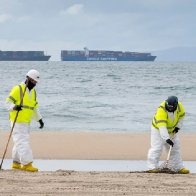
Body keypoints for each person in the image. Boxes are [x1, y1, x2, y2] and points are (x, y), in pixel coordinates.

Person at [6, 69, 44, 172]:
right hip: (17, 121)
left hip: (26, 121)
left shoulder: (33, 92)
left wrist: (39, 119)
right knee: (22, 142)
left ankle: (16, 163)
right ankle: (27, 164)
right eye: (33, 81)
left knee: (19, 142)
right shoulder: (18, 89)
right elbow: (7, 104)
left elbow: (34, 107)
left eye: (35, 82)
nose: (34, 84)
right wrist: (14, 107)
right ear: (27, 79)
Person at [147, 96, 189, 174]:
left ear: (176, 105)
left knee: (175, 148)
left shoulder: (180, 106)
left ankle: (178, 167)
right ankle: (152, 167)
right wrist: (167, 139)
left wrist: (177, 127)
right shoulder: (161, 110)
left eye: (171, 107)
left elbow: (181, 117)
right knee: (157, 148)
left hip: (172, 130)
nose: (169, 108)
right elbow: (162, 126)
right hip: (158, 129)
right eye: (168, 106)